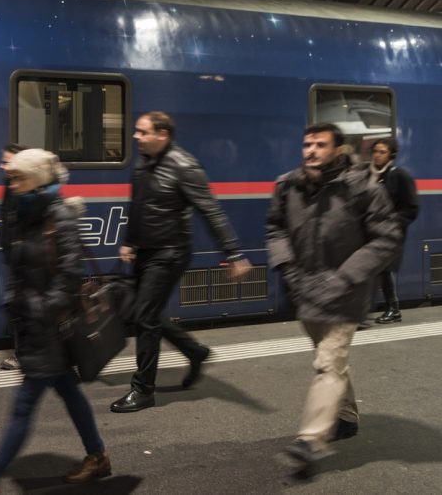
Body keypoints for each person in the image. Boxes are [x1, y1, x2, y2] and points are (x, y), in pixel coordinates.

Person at [0, 149, 110, 494]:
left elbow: (69, 279)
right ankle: (97, 456)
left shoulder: (59, 218)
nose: (12, 183)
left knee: (24, 406)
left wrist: (39, 310)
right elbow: (15, 261)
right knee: (69, 391)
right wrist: (14, 302)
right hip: (31, 324)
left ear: (37, 179)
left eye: (19, 178)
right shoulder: (24, 215)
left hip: (48, 327)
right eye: (12, 178)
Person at [266, 123, 400, 474]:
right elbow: (275, 227)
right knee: (331, 360)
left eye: (320, 145)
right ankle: (347, 415)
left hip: (346, 291)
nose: (311, 150)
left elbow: (387, 237)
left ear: (338, 150)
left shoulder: (362, 188)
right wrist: (287, 266)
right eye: (307, 144)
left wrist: (347, 276)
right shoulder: (289, 186)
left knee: (328, 361)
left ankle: (311, 440)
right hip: (306, 289)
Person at [110, 112, 252, 413]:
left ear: (162, 134)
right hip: (146, 251)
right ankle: (195, 351)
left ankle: (143, 390)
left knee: (144, 318)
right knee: (144, 313)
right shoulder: (144, 161)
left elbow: (211, 212)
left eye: (142, 132)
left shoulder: (185, 166)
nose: (136, 137)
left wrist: (234, 253)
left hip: (169, 253)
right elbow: (137, 206)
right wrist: (130, 241)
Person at [367, 138, 419, 324]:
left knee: (385, 269)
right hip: (372, 231)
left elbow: (412, 208)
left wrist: (394, 223)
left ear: (391, 154)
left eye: (382, 152)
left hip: (391, 232)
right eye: (375, 151)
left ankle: (393, 309)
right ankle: (366, 311)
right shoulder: (371, 175)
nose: (377, 155)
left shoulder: (400, 175)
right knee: (374, 269)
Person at [0, 142, 26, 371]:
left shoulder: (28, 190)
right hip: (13, 257)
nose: (2, 166)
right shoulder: (11, 185)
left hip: (24, 260)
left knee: (18, 304)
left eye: (7, 161)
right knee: (12, 303)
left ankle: (24, 354)